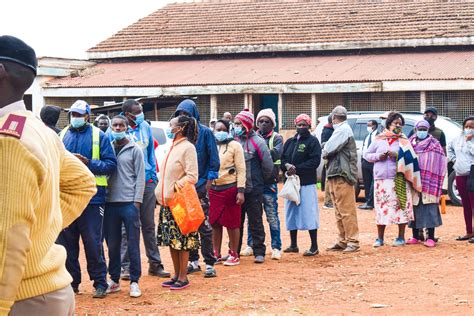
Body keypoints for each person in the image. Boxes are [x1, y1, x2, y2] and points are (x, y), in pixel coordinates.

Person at [0, 35, 96, 316]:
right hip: (46, 290)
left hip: (21, 297)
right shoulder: (36, 129)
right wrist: (41, 231)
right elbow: (82, 183)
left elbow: (7, 235)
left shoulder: (7, 140)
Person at [57, 100, 117, 298]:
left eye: (78, 114)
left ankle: (100, 282)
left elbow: (110, 165)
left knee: (93, 242)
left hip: (93, 198)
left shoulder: (98, 135)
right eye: (73, 114)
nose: (75, 117)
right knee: (67, 243)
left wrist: (88, 162)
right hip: (67, 198)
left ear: (87, 116)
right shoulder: (62, 134)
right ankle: (72, 283)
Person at [120, 99, 169, 278]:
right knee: (127, 227)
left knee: (148, 225)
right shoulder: (118, 130)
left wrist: (152, 177)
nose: (141, 114)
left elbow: (150, 155)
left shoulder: (146, 128)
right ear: (127, 114)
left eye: (141, 110)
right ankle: (125, 267)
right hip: (127, 184)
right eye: (137, 111)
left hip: (147, 182)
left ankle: (155, 264)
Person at [174, 99, 220, 277]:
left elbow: (214, 161)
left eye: (186, 113)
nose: (183, 117)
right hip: (181, 188)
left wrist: (207, 185)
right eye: (179, 114)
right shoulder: (178, 135)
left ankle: (209, 263)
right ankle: (193, 261)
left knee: (203, 225)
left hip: (200, 186)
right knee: (186, 226)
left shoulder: (206, 133)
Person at [364, 112, 422, 247]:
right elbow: (367, 155)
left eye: (400, 124)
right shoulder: (379, 139)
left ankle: (401, 237)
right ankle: (380, 238)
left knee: (401, 207)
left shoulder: (404, 140)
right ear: (388, 124)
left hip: (399, 178)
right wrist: (379, 156)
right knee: (381, 209)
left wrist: (397, 155)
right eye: (395, 123)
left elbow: (412, 159)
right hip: (382, 180)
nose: (398, 126)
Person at [156, 116, 200, 290]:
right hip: (167, 202)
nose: (169, 127)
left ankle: (183, 277)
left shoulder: (188, 148)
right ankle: (176, 275)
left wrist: (174, 187)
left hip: (179, 202)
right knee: (172, 241)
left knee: (182, 241)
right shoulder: (172, 146)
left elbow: (192, 176)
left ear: (180, 128)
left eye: (171, 125)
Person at [104, 115, 144, 297]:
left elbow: (140, 177)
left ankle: (135, 281)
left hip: (129, 203)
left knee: (133, 243)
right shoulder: (108, 148)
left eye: (121, 125)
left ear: (127, 127)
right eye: (115, 125)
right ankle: (114, 279)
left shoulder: (135, 149)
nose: (118, 128)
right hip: (110, 203)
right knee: (112, 244)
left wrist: (136, 202)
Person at [234, 110, 273, 263]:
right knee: (236, 222)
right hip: (237, 189)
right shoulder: (234, 140)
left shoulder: (258, 142)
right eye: (235, 124)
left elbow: (268, 166)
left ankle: (259, 252)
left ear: (246, 124)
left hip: (254, 189)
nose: (236, 126)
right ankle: (234, 251)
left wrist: (259, 181)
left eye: (239, 124)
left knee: (255, 220)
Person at [281, 114, 322, 256]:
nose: (301, 127)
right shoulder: (290, 142)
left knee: (309, 213)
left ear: (309, 126)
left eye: (304, 125)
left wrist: (297, 168)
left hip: (307, 183)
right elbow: (283, 158)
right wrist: (286, 166)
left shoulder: (313, 142)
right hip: (291, 183)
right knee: (291, 213)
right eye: (299, 125)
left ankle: (314, 246)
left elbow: (315, 161)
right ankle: (293, 244)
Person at [245, 108, 283, 260]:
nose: (263, 124)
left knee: (272, 216)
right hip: (255, 183)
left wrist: (260, 151)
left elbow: (275, 153)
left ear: (272, 123)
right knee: (253, 216)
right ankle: (250, 244)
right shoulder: (253, 138)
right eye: (260, 121)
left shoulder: (277, 138)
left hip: (269, 183)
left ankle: (276, 247)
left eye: (267, 121)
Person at [323, 106, 360, 253]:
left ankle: (352, 241)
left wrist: (324, 148)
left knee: (346, 210)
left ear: (333, 118)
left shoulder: (343, 130)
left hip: (343, 174)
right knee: (339, 210)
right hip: (335, 173)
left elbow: (328, 149)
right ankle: (343, 239)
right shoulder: (341, 129)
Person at [209, 119, 246, 266]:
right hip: (213, 189)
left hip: (230, 188)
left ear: (228, 130)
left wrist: (241, 191)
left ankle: (234, 253)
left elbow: (241, 169)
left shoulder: (235, 146)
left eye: (223, 129)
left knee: (232, 223)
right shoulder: (211, 145)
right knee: (214, 223)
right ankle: (215, 253)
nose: (220, 132)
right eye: (217, 129)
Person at [407, 120, 446, 247]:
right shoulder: (409, 143)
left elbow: (440, 160)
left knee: (429, 208)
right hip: (413, 180)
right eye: (420, 129)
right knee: (415, 207)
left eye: (424, 129)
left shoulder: (435, 144)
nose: (422, 131)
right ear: (415, 129)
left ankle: (431, 237)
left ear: (428, 130)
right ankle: (415, 236)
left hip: (430, 182)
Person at [448, 116, 474, 243]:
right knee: (466, 204)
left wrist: (469, 142)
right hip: (459, 174)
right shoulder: (457, 139)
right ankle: (469, 231)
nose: (469, 129)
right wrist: (454, 160)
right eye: (467, 126)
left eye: (472, 127)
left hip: (472, 174)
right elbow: (450, 148)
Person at [359, 120, 378, 210]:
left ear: (374, 126)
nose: (368, 127)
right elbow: (364, 148)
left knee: (373, 184)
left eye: (369, 125)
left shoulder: (378, 136)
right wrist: (362, 160)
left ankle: (373, 202)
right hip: (365, 162)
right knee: (367, 183)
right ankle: (367, 202)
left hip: (374, 162)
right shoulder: (367, 136)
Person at [320, 114, 335, 209]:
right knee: (328, 179)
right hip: (329, 157)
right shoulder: (328, 131)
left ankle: (330, 201)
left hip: (329, 156)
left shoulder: (328, 129)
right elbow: (324, 145)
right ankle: (328, 202)